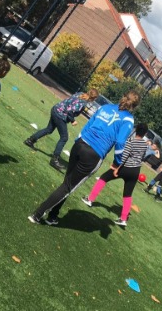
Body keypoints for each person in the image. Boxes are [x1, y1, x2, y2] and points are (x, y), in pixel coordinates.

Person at [27, 91, 140, 226]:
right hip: (94, 154)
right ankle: (38, 214)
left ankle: (53, 216)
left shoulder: (105, 108)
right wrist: (117, 162)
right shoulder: (128, 119)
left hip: (80, 144)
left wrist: (78, 139)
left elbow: (89, 124)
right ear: (135, 106)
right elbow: (121, 142)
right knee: (68, 186)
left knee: (67, 182)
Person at [81, 123, 149, 227]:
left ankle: (90, 199)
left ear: (136, 130)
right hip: (135, 171)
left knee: (103, 178)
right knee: (128, 194)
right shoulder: (145, 145)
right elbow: (142, 157)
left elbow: (124, 156)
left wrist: (117, 168)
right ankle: (123, 219)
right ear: (145, 133)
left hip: (125, 168)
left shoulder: (131, 141)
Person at [24, 89, 99, 170]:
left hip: (56, 109)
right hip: (60, 115)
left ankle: (30, 140)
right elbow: (70, 111)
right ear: (93, 98)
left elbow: (70, 103)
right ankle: (55, 159)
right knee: (64, 137)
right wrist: (73, 121)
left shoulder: (80, 94)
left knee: (49, 129)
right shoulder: (83, 103)